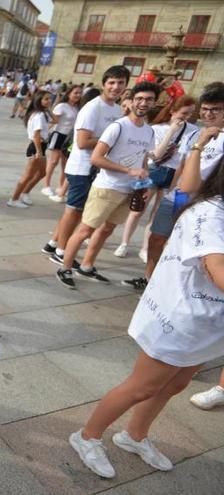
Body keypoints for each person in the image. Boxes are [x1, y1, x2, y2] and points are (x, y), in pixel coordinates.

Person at [69, 156, 224, 479]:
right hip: (181, 317)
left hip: (210, 321)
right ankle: (87, 437)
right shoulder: (210, 213)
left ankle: (134, 435)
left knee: (177, 383)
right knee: (142, 386)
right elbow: (217, 270)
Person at [56, 82, 159, 289]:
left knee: (106, 230)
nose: (143, 103)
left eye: (148, 99)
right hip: (107, 187)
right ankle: (65, 267)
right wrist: (128, 171)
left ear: (154, 103)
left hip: (129, 190)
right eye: (139, 98)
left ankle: (87, 265)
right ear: (130, 101)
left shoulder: (149, 132)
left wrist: (143, 184)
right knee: (86, 230)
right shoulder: (118, 127)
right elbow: (96, 158)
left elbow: (143, 160)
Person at [43, 67, 128, 266]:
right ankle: (61, 251)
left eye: (120, 83)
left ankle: (53, 242)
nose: (116, 87)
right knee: (74, 211)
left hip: (96, 168)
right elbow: (82, 142)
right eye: (112, 83)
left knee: (76, 211)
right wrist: (111, 141)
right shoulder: (93, 107)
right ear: (103, 84)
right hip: (82, 168)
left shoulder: (116, 109)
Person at [116, 96, 198, 270]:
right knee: (138, 209)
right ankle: (124, 243)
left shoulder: (193, 130)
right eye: (184, 113)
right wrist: (171, 132)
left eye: (191, 113)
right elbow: (155, 155)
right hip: (155, 171)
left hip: (174, 174)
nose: (187, 117)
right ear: (172, 111)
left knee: (157, 213)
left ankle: (145, 248)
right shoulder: (157, 129)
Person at [7, 90, 52, 208]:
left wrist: (48, 109)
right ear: (39, 101)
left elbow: (56, 121)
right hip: (37, 147)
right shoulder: (39, 115)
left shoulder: (42, 113)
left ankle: (25, 193)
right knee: (27, 176)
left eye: (50, 99)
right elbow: (36, 135)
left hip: (41, 146)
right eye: (46, 99)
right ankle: (14, 199)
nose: (49, 101)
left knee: (42, 173)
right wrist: (39, 152)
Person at [41, 85, 81, 202]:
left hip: (70, 138)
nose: (78, 95)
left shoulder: (78, 108)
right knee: (53, 161)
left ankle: (60, 186)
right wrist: (44, 135)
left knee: (66, 163)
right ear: (69, 93)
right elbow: (52, 121)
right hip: (58, 135)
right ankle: (46, 186)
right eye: (76, 93)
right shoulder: (61, 106)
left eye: (80, 93)